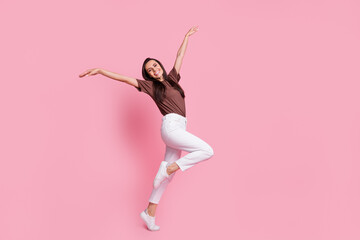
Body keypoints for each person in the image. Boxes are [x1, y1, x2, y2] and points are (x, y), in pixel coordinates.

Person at [78, 26, 214, 231]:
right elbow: (123, 78)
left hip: (179, 127)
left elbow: (180, 56)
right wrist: (100, 70)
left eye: (155, 66)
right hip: (171, 127)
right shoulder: (151, 86)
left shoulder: (172, 79)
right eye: (149, 70)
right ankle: (167, 168)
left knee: (166, 179)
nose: (153, 70)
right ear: (148, 75)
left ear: (160, 66)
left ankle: (149, 213)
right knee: (206, 151)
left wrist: (186, 37)